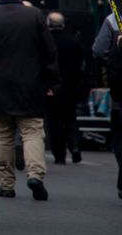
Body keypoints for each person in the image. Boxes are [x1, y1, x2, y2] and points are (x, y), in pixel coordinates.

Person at [0, 0, 59, 201]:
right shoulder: (34, 16)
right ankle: (35, 175)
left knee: (2, 135)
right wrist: (51, 80)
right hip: (31, 85)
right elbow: (49, 52)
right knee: (32, 132)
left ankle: (6, 182)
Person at [91, 6, 122, 200]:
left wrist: (111, 63)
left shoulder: (113, 20)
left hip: (120, 84)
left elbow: (98, 49)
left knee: (119, 135)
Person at [46, 12, 84, 165]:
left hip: (53, 87)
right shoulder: (73, 41)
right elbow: (80, 64)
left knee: (54, 122)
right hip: (71, 86)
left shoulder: (47, 41)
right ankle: (74, 146)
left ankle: (59, 154)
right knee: (71, 119)